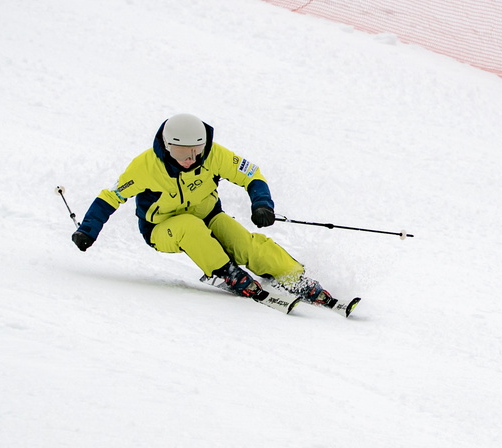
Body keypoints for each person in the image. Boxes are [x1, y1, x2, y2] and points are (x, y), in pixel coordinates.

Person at [71, 113, 352, 313]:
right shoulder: (145, 166)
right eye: (181, 153)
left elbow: (251, 174)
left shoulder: (214, 154)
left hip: (208, 215)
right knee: (189, 226)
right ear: (167, 147)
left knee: (244, 243)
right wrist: (87, 230)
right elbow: (111, 197)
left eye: (196, 151)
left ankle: (295, 277)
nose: (189, 159)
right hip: (161, 229)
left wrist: (262, 204)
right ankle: (225, 272)